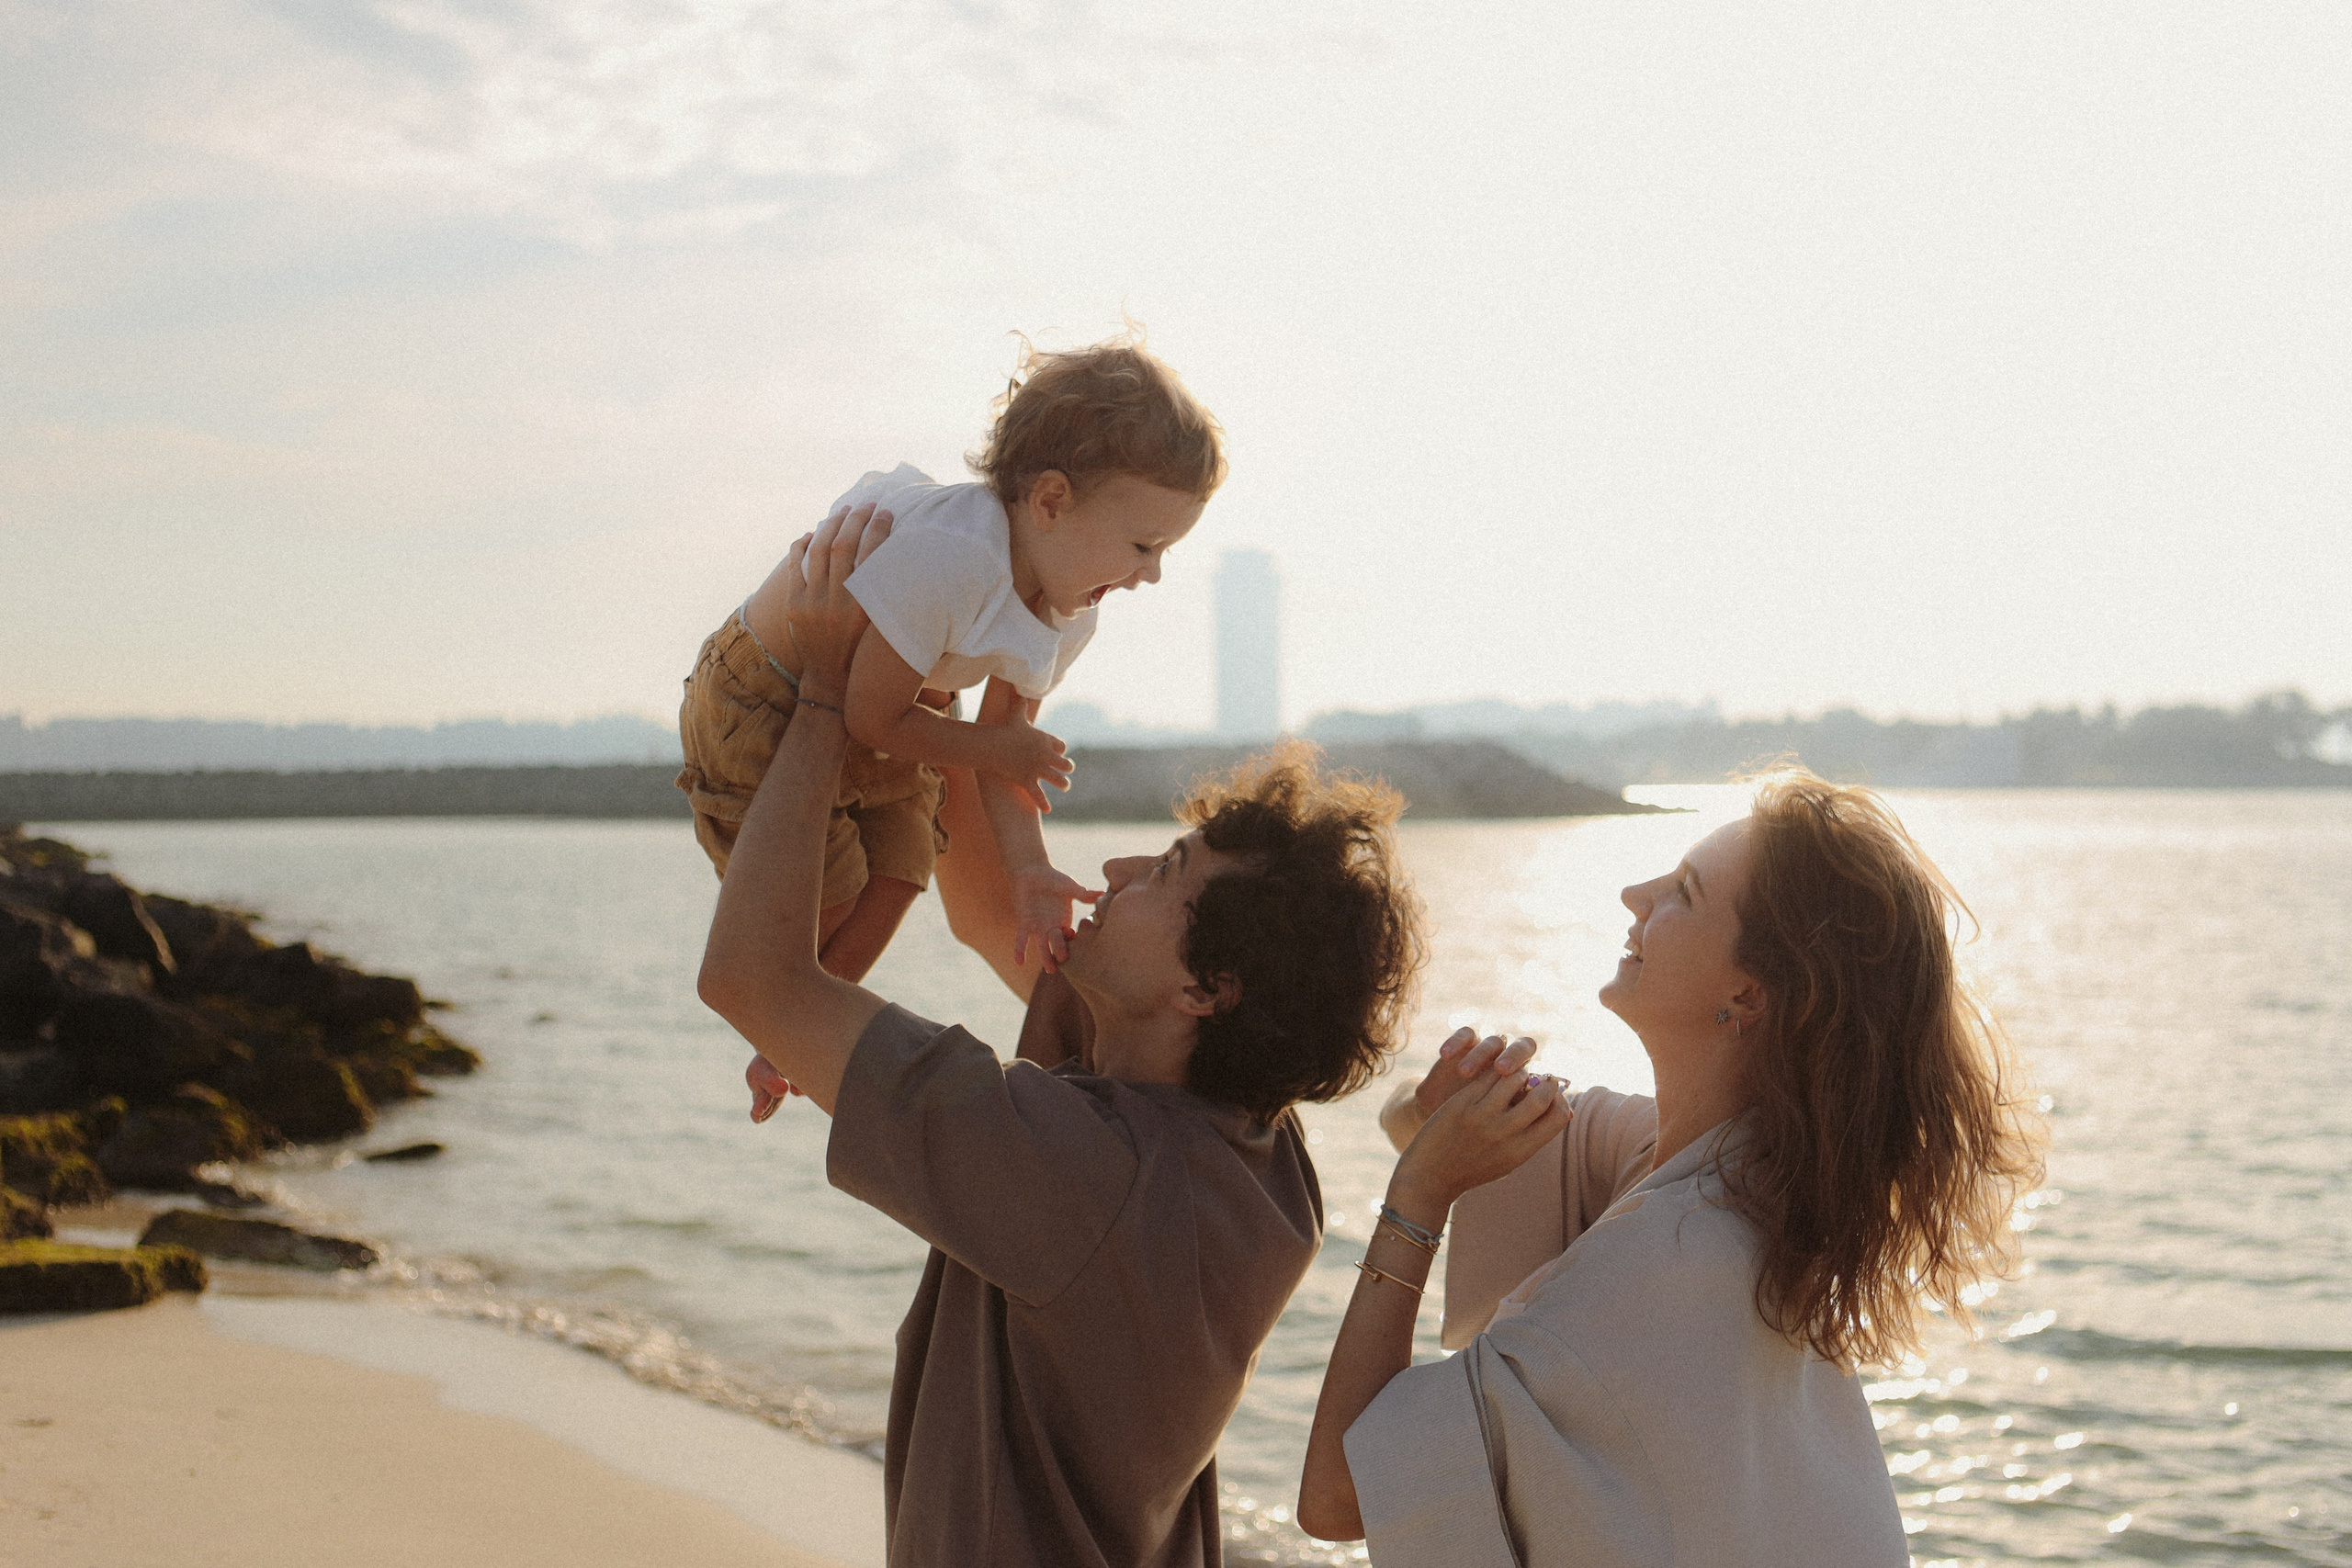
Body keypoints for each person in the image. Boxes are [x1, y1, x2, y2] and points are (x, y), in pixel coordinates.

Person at [698, 504, 1426, 1568]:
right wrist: (933, 674)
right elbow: (988, 910)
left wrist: (820, 692)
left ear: (1205, 990)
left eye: (1165, 875)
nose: (1120, 870)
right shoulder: (1262, 1160)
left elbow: (750, 979)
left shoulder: (1078, 1166)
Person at [1296, 776, 2046, 1566]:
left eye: (1682, 891)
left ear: (1746, 994)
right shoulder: (1746, 1166)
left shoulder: (1660, 1263)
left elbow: (1339, 1495)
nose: (1635, 894)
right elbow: (1423, 1124)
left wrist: (1417, 1198)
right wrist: (1436, 1108)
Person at [674, 334, 1225, 1117]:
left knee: (904, 865)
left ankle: (789, 1040)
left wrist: (1029, 869)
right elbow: (871, 713)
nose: (1152, 573)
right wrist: (997, 747)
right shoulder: (956, 556)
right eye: (1144, 545)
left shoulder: (1068, 611)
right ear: (1051, 502)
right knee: (827, 896)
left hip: (889, 714)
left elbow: (1004, 756)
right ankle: (781, 1007)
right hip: (769, 692)